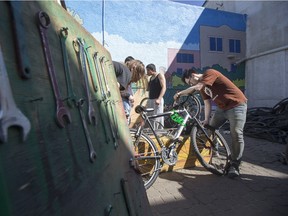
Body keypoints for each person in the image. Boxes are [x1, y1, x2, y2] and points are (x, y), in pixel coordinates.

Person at [174, 68, 247, 178]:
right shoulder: (203, 87)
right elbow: (207, 103)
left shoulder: (209, 73)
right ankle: (214, 151)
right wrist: (207, 119)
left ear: (193, 76)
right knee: (210, 128)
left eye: (189, 82)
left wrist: (180, 93)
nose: (190, 85)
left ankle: (235, 165)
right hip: (222, 109)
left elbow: (197, 87)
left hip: (237, 105)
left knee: (236, 133)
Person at [113, 59, 145, 123]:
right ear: (134, 68)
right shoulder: (127, 73)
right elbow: (114, 87)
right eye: (138, 75)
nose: (137, 80)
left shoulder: (123, 69)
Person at [146, 63, 166, 129]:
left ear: (151, 70)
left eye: (147, 70)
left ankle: (159, 131)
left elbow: (164, 87)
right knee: (150, 116)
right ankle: (152, 130)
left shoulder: (160, 76)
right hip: (151, 99)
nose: (147, 72)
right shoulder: (151, 78)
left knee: (157, 116)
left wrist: (159, 99)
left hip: (157, 99)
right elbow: (148, 89)